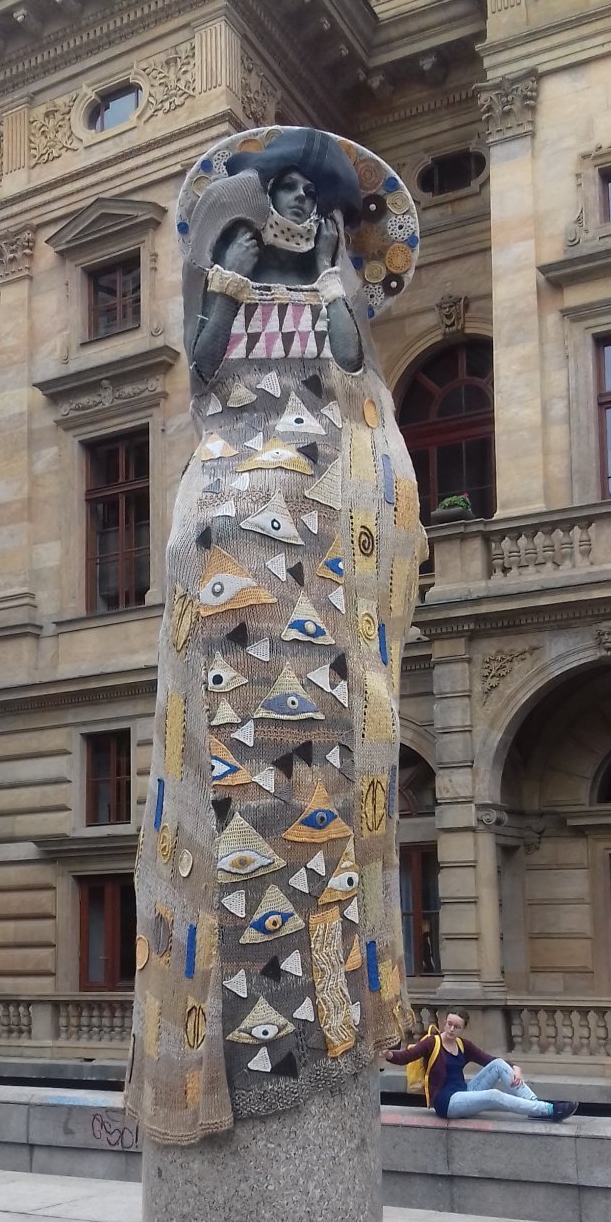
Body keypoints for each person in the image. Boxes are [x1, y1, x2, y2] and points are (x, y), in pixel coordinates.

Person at [126, 127, 428, 1145]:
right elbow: (205, 363)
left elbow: (349, 368)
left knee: (313, 768)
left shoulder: (334, 293)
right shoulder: (238, 272)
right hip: (230, 508)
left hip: (312, 531)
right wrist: (230, 280)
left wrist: (335, 284)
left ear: (334, 219)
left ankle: (317, 985)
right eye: (286, 188)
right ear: (263, 203)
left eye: (315, 196)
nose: (299, 205)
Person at [385, 1011, 578, 1122]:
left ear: (462, 1029)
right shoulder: (432, 1043)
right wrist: (388, 1054)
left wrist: (515, 1067)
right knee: (494, 1095)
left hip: (465, 1092)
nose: (452, 1029)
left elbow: (490, 1060)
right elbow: (407, 1056)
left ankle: (535, 1104)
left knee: (498, 1065)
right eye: (450, 1024)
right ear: (444, 1022)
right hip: (447, 1103)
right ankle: (547, 1110)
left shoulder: (462, 1045)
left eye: (457, 1027)